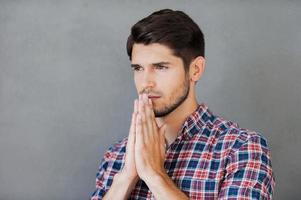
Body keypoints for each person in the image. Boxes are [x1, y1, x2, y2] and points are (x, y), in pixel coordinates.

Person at [91, 9, 275, 199]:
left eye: (161, 67)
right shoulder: (116, 155)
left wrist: (155, 175)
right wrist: (125, 178)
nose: (146, 82)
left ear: (195, 70)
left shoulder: (240, 149)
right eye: (138, 68)